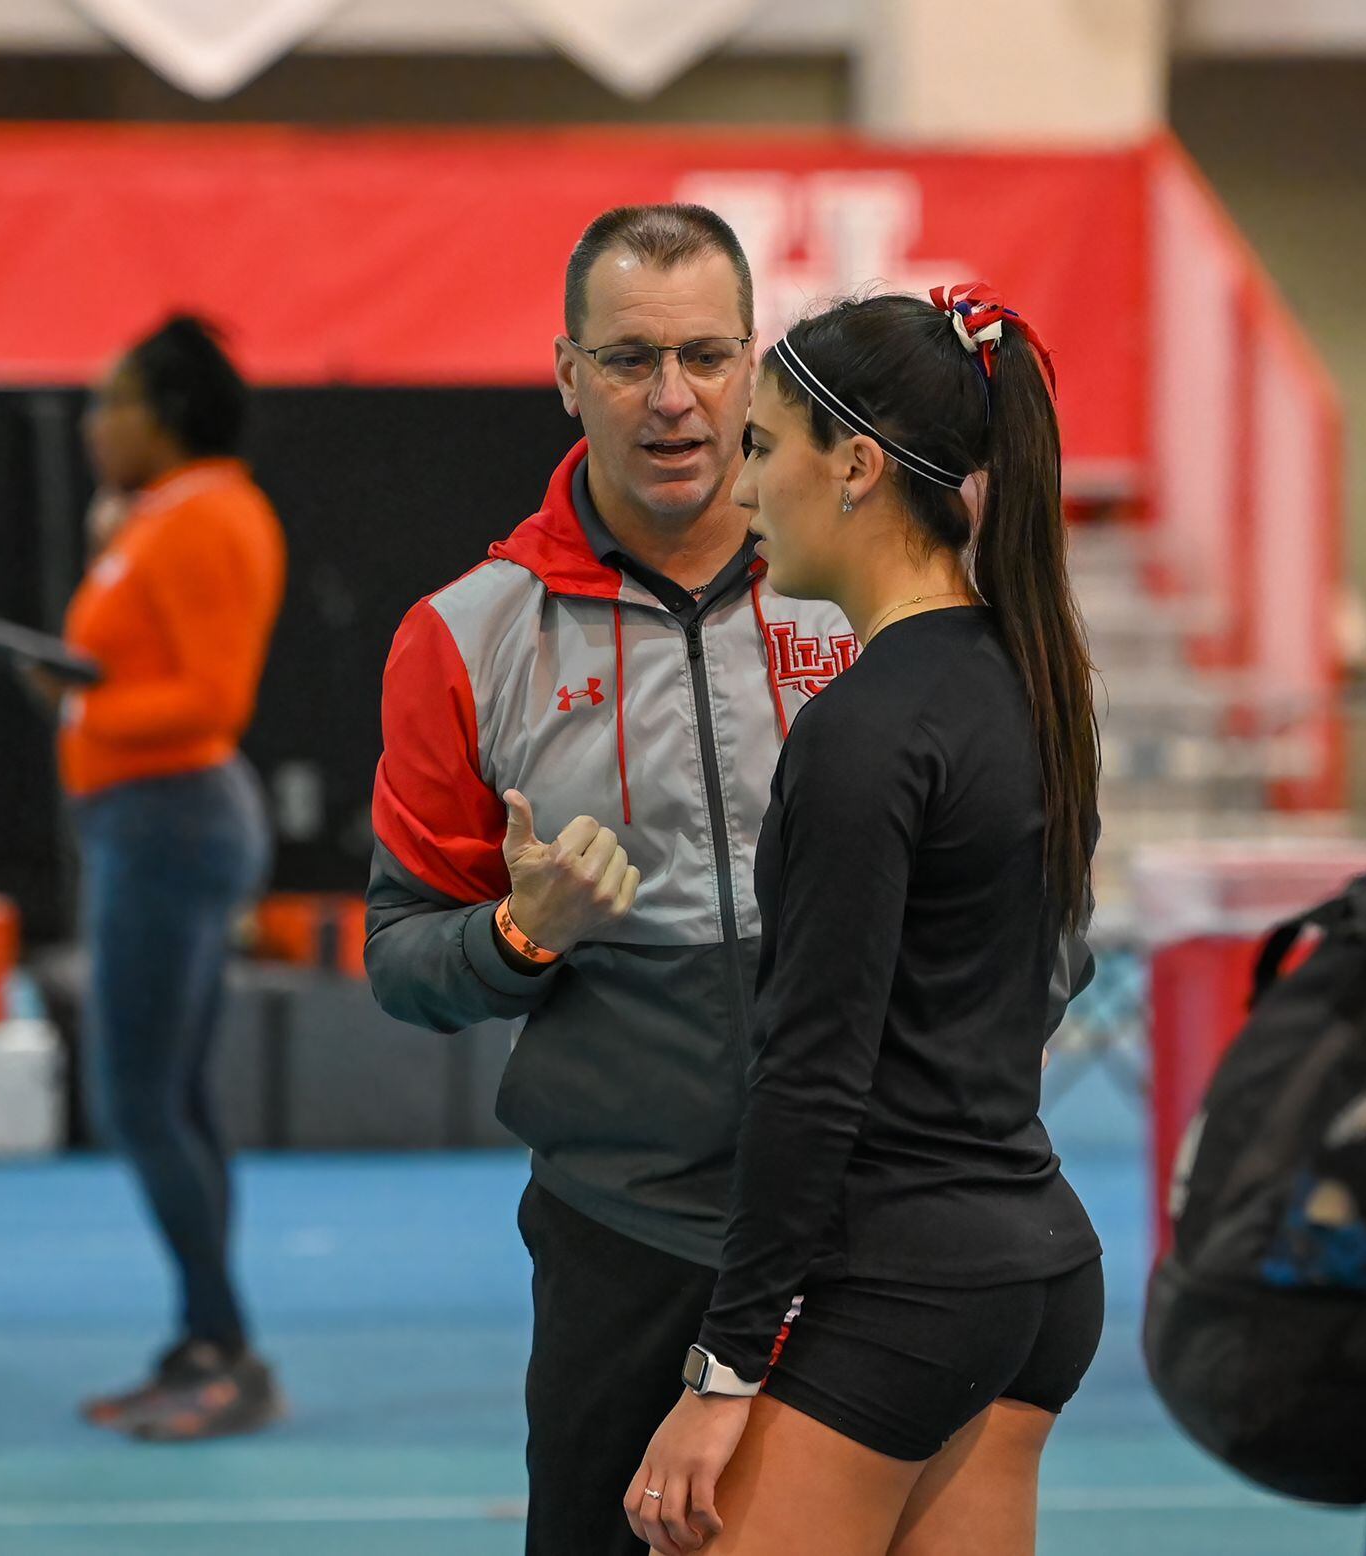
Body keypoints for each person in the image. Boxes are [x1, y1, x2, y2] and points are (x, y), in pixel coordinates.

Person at [367, 202, 853, 1554]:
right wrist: (523, 933)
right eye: (631, 361)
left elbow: (1029, 907)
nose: (674, 398)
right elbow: (401, 956)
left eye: (707, 355)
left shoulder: (863, 593)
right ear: (568, 373)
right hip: (623, 1241)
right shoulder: (468, 637)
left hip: (867, 1225)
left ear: (755, 365)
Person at [625, 285, 1104, 1556]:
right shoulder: (1023, 678)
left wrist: (719, 1374)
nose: (739, 490)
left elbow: (814, 1072)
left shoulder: (865, 729)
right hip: (1034, 1265)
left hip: (911, 1284)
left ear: (856, 466)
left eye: (763, 448)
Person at [28, 315, 288, 1442]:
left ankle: (225, 1344)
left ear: (164, 414)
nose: (95, 424)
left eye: (111, 402)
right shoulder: (158, 517)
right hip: (150, 823)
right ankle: (205, 1336)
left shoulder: (207, 518)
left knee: (140, 1096)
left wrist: (78, 701)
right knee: (168, 1094)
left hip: (171, 824)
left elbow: (211, 702)